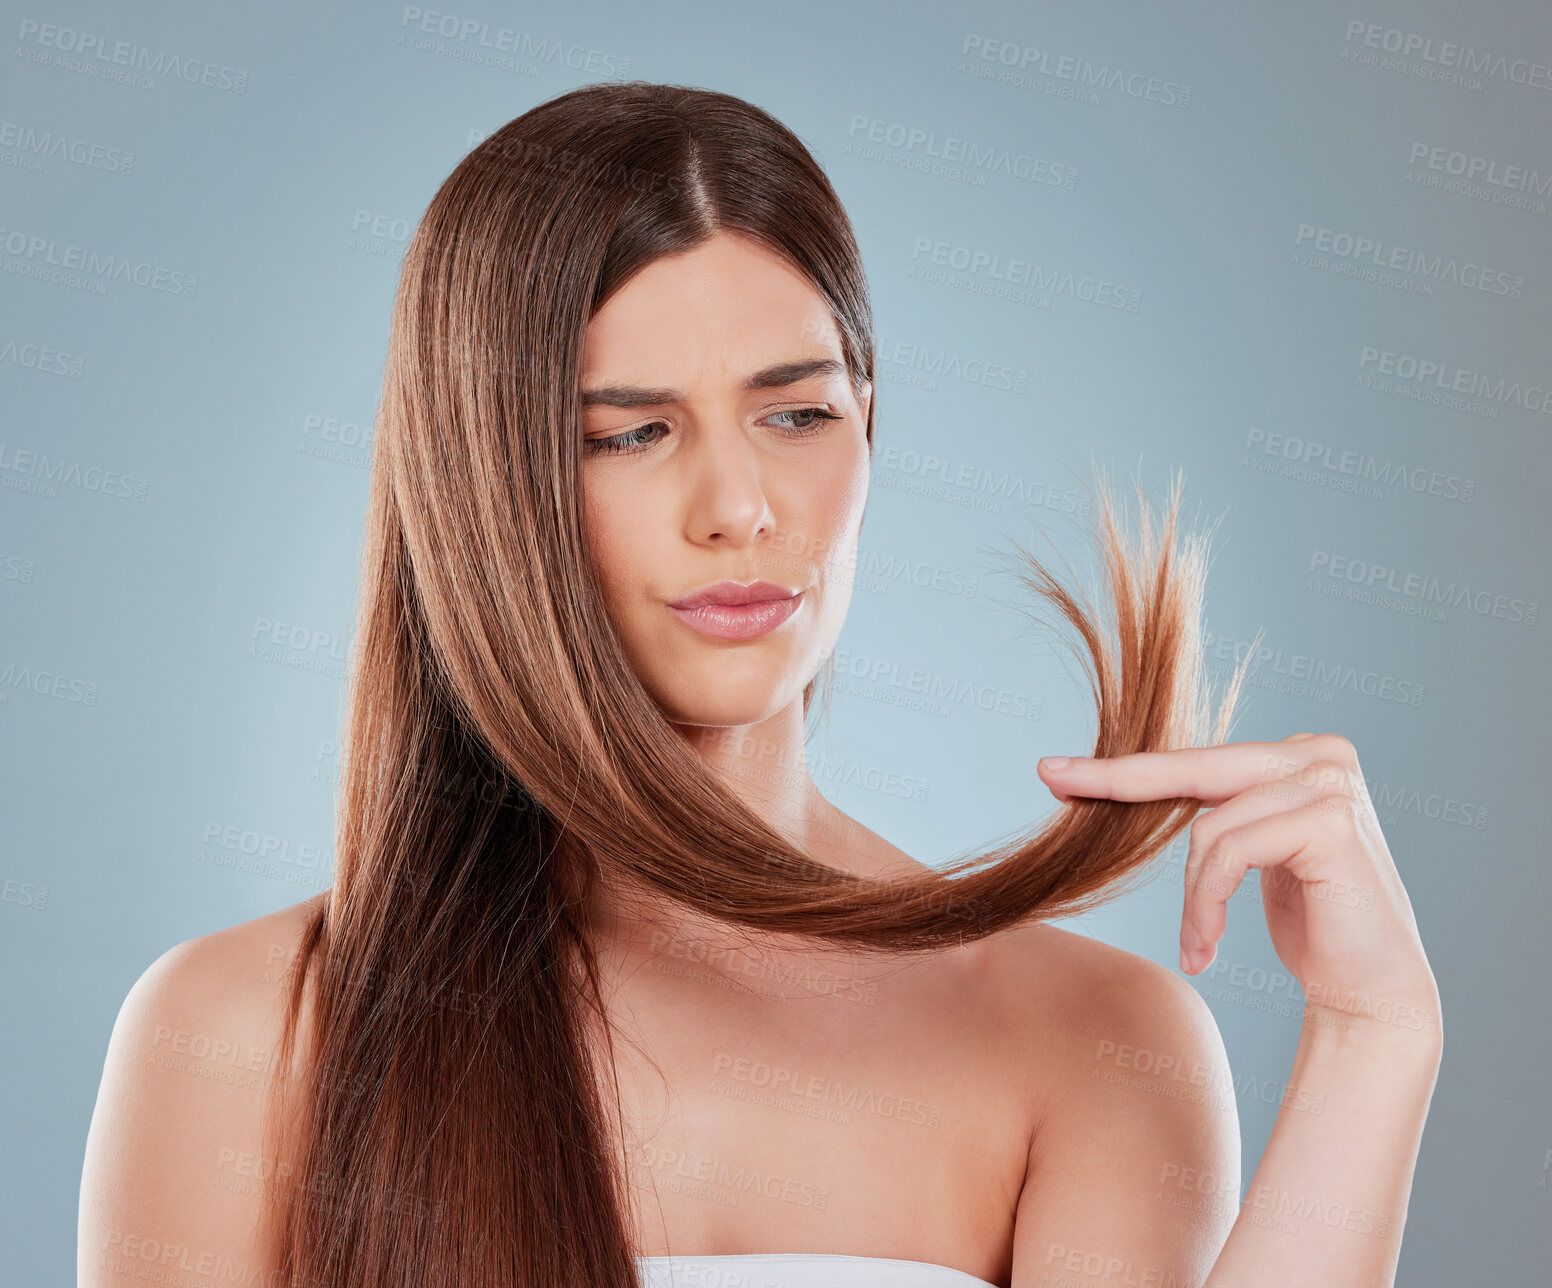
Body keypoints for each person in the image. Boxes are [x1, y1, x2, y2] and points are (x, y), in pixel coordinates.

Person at [78, 82, 1442, 1288]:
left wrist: (1372, 1043)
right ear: (482, 488)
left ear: (872, 429)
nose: (739, 508)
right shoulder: (246, 1035)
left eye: (797, 414)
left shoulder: (1089, 1038)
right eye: (627, 434)